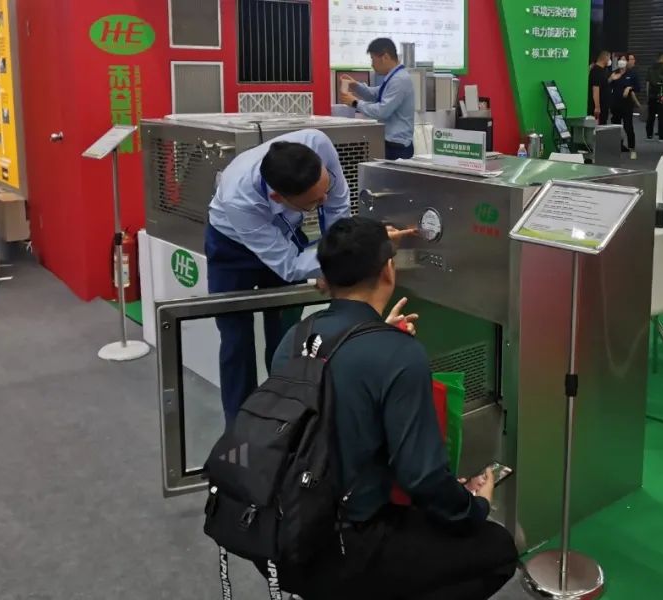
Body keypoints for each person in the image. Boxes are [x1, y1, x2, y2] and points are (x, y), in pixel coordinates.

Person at [260, 216, 519, 600]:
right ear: (388, 270)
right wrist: (474, 505)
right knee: (498, 549)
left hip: (279, 528)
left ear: (325, 277)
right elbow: (422, 478)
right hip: (343, 543)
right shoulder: (399, 355)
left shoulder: (296, 335)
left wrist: (382, 333)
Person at [205, 130, 354, 426]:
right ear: (278, 197)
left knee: (287, 333)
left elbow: (336, 207)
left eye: (325, 188)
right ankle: (241, 427)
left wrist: (336, 258)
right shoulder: (239, 198)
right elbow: (290, 265)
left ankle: (286, 415)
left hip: (286, 233)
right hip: (231, 246)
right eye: (314, 202)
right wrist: (330, 263)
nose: (324, 199)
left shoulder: (318, 143)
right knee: (236, 338)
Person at [340, 38, 415, 160]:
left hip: (396, 147)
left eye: (373, 59)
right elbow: (376, 93)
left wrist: (355, 102)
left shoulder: (399, 80)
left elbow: (382, 111)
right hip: (391, 143)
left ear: (385, 57)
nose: (372, 64)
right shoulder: (393, 77)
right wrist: (355, 85)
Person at [609, 54, 640, 160]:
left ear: (627, 62)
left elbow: (637, 88)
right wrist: (611, 79)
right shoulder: (614, 73)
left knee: (628, 127)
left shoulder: (632, 74)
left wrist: (629, 87)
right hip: (615, 104)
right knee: (615, 127)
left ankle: (632, 149)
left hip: (627, 105)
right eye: (620, 60)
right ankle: (616, 147)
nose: (621, 62)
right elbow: (607, 85)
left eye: (623, 60)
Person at [646, 53, 663, 142]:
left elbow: (647, 83)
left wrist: (647, 95)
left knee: (651, 116)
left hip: (652, 94)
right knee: (662, 115)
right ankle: (662, 136)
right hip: (662, 94)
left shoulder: (650, 68)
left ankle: (649, 135)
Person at [587, 49, 612, 125]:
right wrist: (597, 107)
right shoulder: (596, 71)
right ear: (605, 57)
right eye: (609, 58)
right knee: (598, 127)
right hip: (599, 106)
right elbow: (595, 89)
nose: (609, 60)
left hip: (604, 105)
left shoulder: (603, 70)